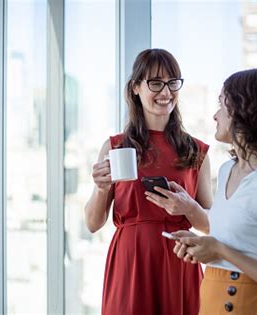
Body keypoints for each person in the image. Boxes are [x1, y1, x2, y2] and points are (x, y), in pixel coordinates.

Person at [146, 68, 257, 314]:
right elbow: (231, 232)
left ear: (245, 111)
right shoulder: (227, 171)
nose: (215, 115)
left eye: (222, 104)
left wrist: (220, 250)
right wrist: (197, 231)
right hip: (213, 301)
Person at [85, 48, 213, 315]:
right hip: (130, 262)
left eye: (172, 82)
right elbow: (93, 223)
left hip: (180, 260)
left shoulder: (196, 151)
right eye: (155, 83)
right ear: (135, 88)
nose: (165, 92)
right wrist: (101, 188)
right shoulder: (115, 147)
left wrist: (188, 208)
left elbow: (211, 225)